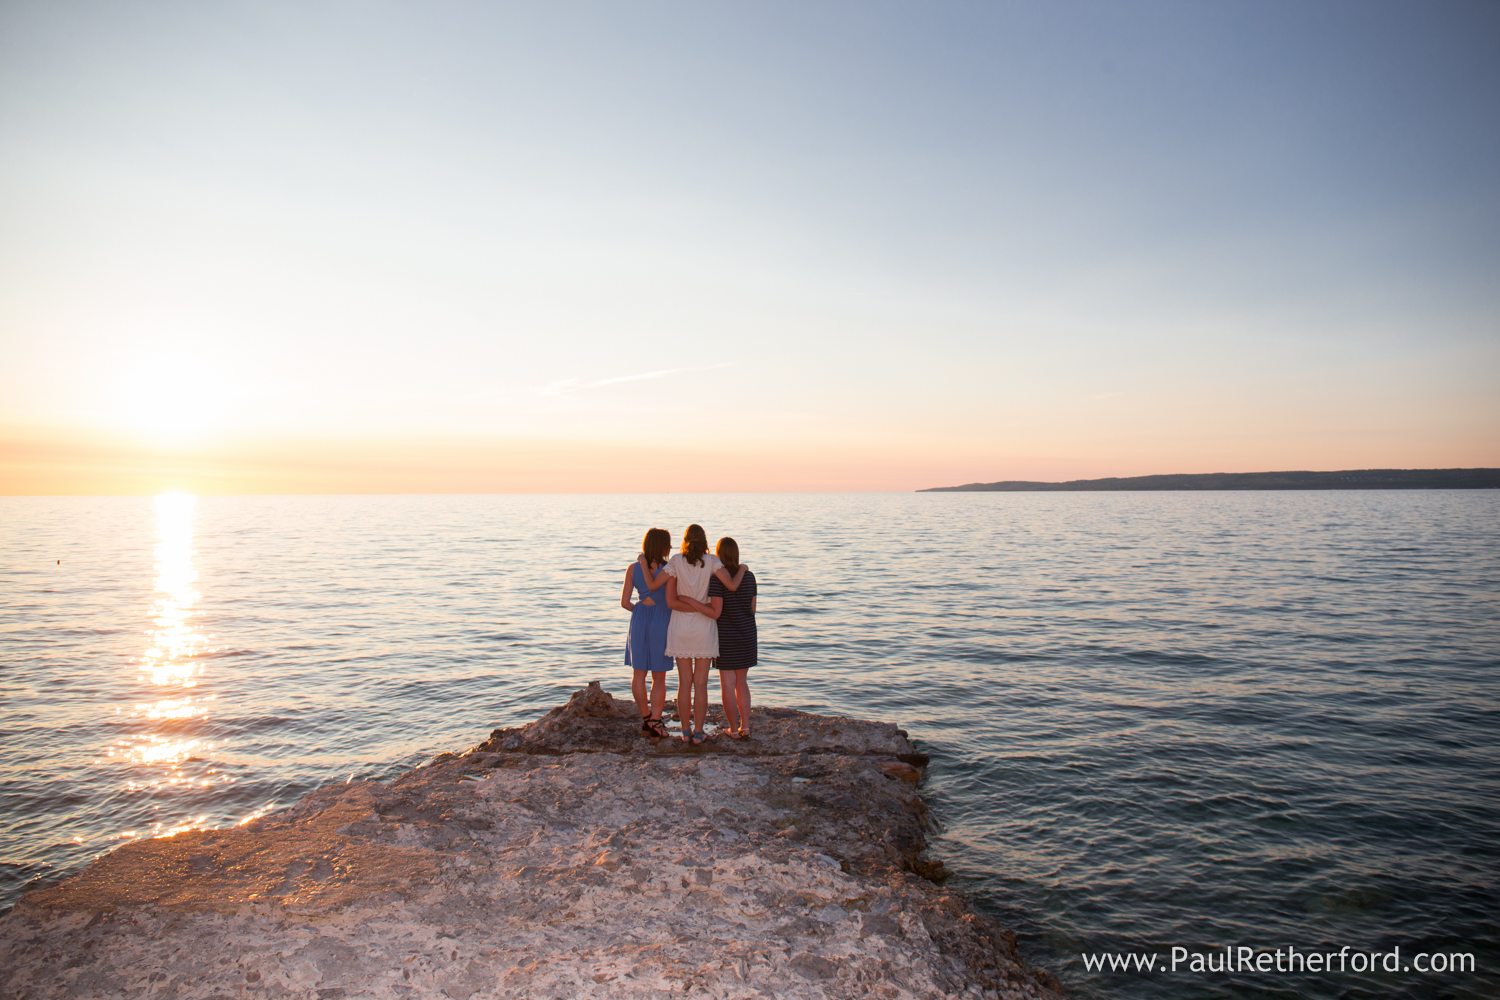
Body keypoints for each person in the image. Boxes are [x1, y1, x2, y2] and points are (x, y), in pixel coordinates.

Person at [663, 523, 745, 744]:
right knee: (700, 683)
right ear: (704, 541)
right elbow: (731, 586)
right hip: (704, 626)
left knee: (684, 683)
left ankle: (685, 730)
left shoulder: (676, 562)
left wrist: (688, 602)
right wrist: (743, 570)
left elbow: (671, 601)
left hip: (680, 627)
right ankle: (699, 732)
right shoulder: (712, 562)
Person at [621, 527, 673, 738]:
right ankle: (656, 720)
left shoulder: (633, 568)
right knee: (659, 676)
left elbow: (624, 603)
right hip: (662, 619)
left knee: (638, 674)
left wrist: (639, 611)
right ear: (663, 546)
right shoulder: (670, 569)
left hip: (640, 618)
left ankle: (645, 717)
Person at [707, 536, 757, 739]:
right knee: (741, 682)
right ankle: (746, 727)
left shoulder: (716, 578)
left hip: (725, 635)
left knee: (727, 683)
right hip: (746, 632)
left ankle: (733, 729)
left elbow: (716, 609)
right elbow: (752, 609)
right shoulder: (749, 576)